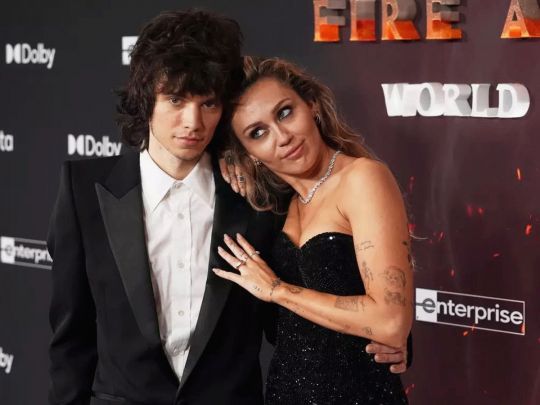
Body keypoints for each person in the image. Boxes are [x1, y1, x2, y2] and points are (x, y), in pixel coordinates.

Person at [47, 10, 408, 405]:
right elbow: (71, 338)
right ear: (146, 97)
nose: (192, 122)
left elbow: (325, 288)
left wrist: (391, 343)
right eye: (176, 100)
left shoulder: (259, 199)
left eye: (208, 104)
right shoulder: (85, 191)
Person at [213, 56, 414, 404]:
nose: (283, 137)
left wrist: (278, 290)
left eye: (285, 112)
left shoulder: (361, 179)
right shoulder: (275, 207)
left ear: (312, 105)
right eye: (257, 133)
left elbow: (391, 322)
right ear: (249, 153)